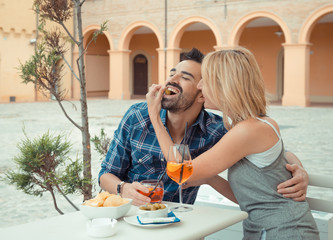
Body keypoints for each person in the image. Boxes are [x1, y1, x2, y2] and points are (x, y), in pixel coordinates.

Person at [99, 48, 308, 207]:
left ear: (202, 92)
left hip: (184, 225)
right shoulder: (137, 117)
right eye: (172, 73)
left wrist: (299, 170)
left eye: (185, 77)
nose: (172, 79)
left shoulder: (216, 130)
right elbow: (105, 174)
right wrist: (123, 188)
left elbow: (269, 148)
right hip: (133, 219)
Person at [146, 47, 319, 239]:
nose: (200, 86)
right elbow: (249, 197)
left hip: (286, 232)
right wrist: (209, 178)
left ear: (224, 84)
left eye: (206, 79)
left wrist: (155, 118)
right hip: (263, 231)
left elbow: (180, 171)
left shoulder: (248, 130)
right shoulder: (242, 127)